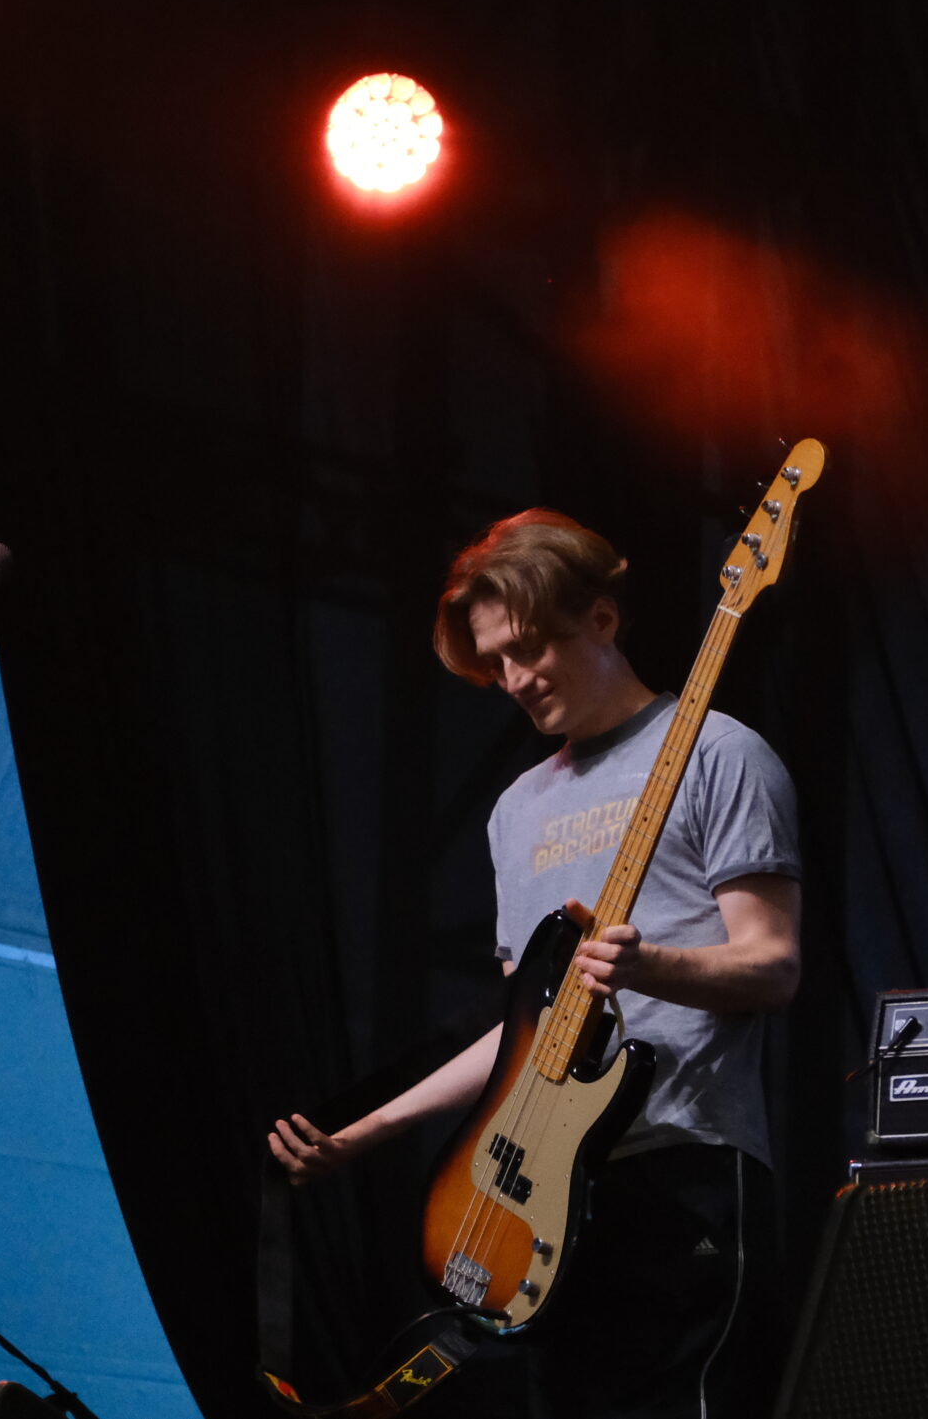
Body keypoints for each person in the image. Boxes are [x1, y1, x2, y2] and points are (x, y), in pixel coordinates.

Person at [268, 508, 803, 1419]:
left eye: (528, 648)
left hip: (683, 1166)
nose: (512, 680)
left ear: (601, 617)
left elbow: (774, 966)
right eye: (496, 663)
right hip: (545, 1195)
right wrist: (366, 1130)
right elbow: (524, 1028)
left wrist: (649, 965)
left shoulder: (722, 753)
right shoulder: (516, 810)